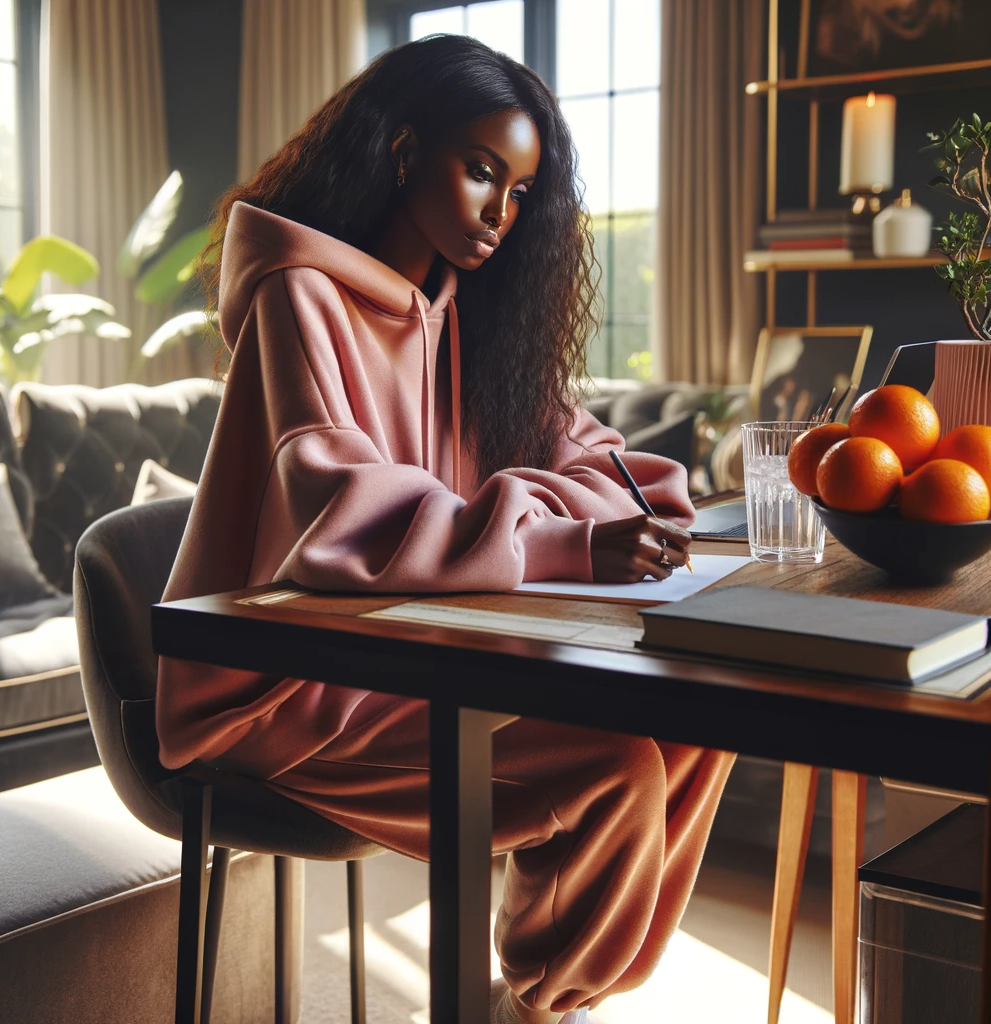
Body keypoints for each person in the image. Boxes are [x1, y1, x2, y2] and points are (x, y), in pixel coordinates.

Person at [157, 34, 734, 1024]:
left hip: (410, 653)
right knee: (614, 761)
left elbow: (620, 471)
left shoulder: (462, 314)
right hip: (285, 685)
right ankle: (537, 1007)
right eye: (479, 172)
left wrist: (553, 518)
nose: (500, 213)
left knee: (700, 721)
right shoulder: (299, 296)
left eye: (517, 191)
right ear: (400, 151)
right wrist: (561, 536)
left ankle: (553, 1004)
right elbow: (343, 512)